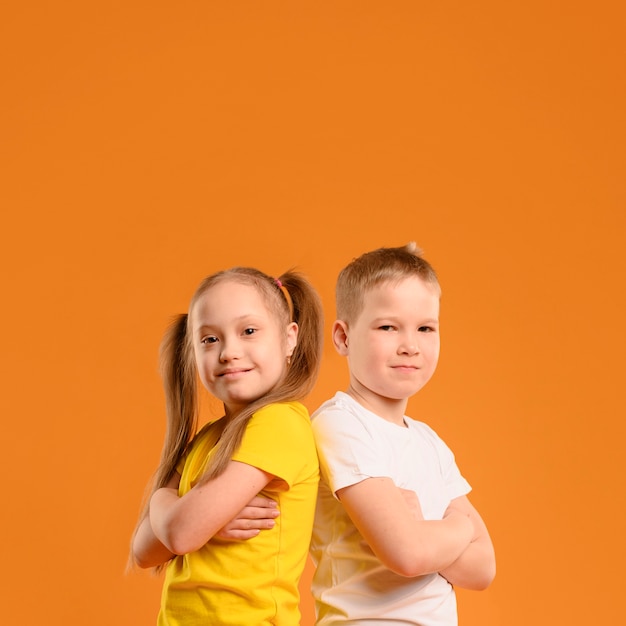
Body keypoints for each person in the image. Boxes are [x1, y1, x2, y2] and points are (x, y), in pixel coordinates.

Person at [310, 243, 496, 625]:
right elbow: (408, 555)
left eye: (425, 328)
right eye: (388, 327)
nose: (410, 345)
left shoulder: (430, 443)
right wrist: (459, 527)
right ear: (344, 338)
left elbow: (483, 569)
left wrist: (425, 531)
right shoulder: (341, 425)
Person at [131, 266, 324, 625]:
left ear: (289, 338)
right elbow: (144, 551)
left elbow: (180, 533)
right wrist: (198, 519)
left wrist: (173, 506)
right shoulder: (206, 438)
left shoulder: (279, 422)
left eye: (248, 331)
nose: (228, 352)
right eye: (209, 340)